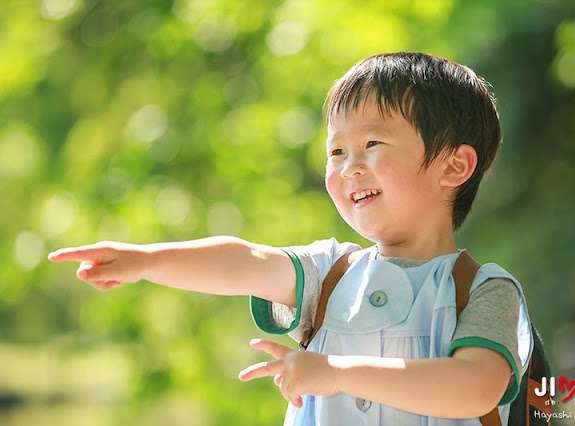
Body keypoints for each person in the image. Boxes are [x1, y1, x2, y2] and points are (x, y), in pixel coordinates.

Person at [49, 52, 532, 425]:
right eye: (336, 150)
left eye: (372, 144)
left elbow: (476, 385)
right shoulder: (332, 273)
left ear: (455, 165)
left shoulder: (484, 289)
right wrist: (147, 261)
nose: (348, 167)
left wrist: (334, 371)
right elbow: (248, 261)